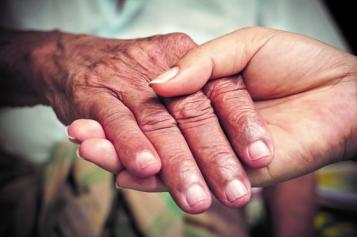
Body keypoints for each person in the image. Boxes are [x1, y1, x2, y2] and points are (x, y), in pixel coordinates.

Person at [70, 26, 357, 191]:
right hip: (64, 163)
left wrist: (348, 98)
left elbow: (296, 140)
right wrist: (62, 60)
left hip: (224, 169)